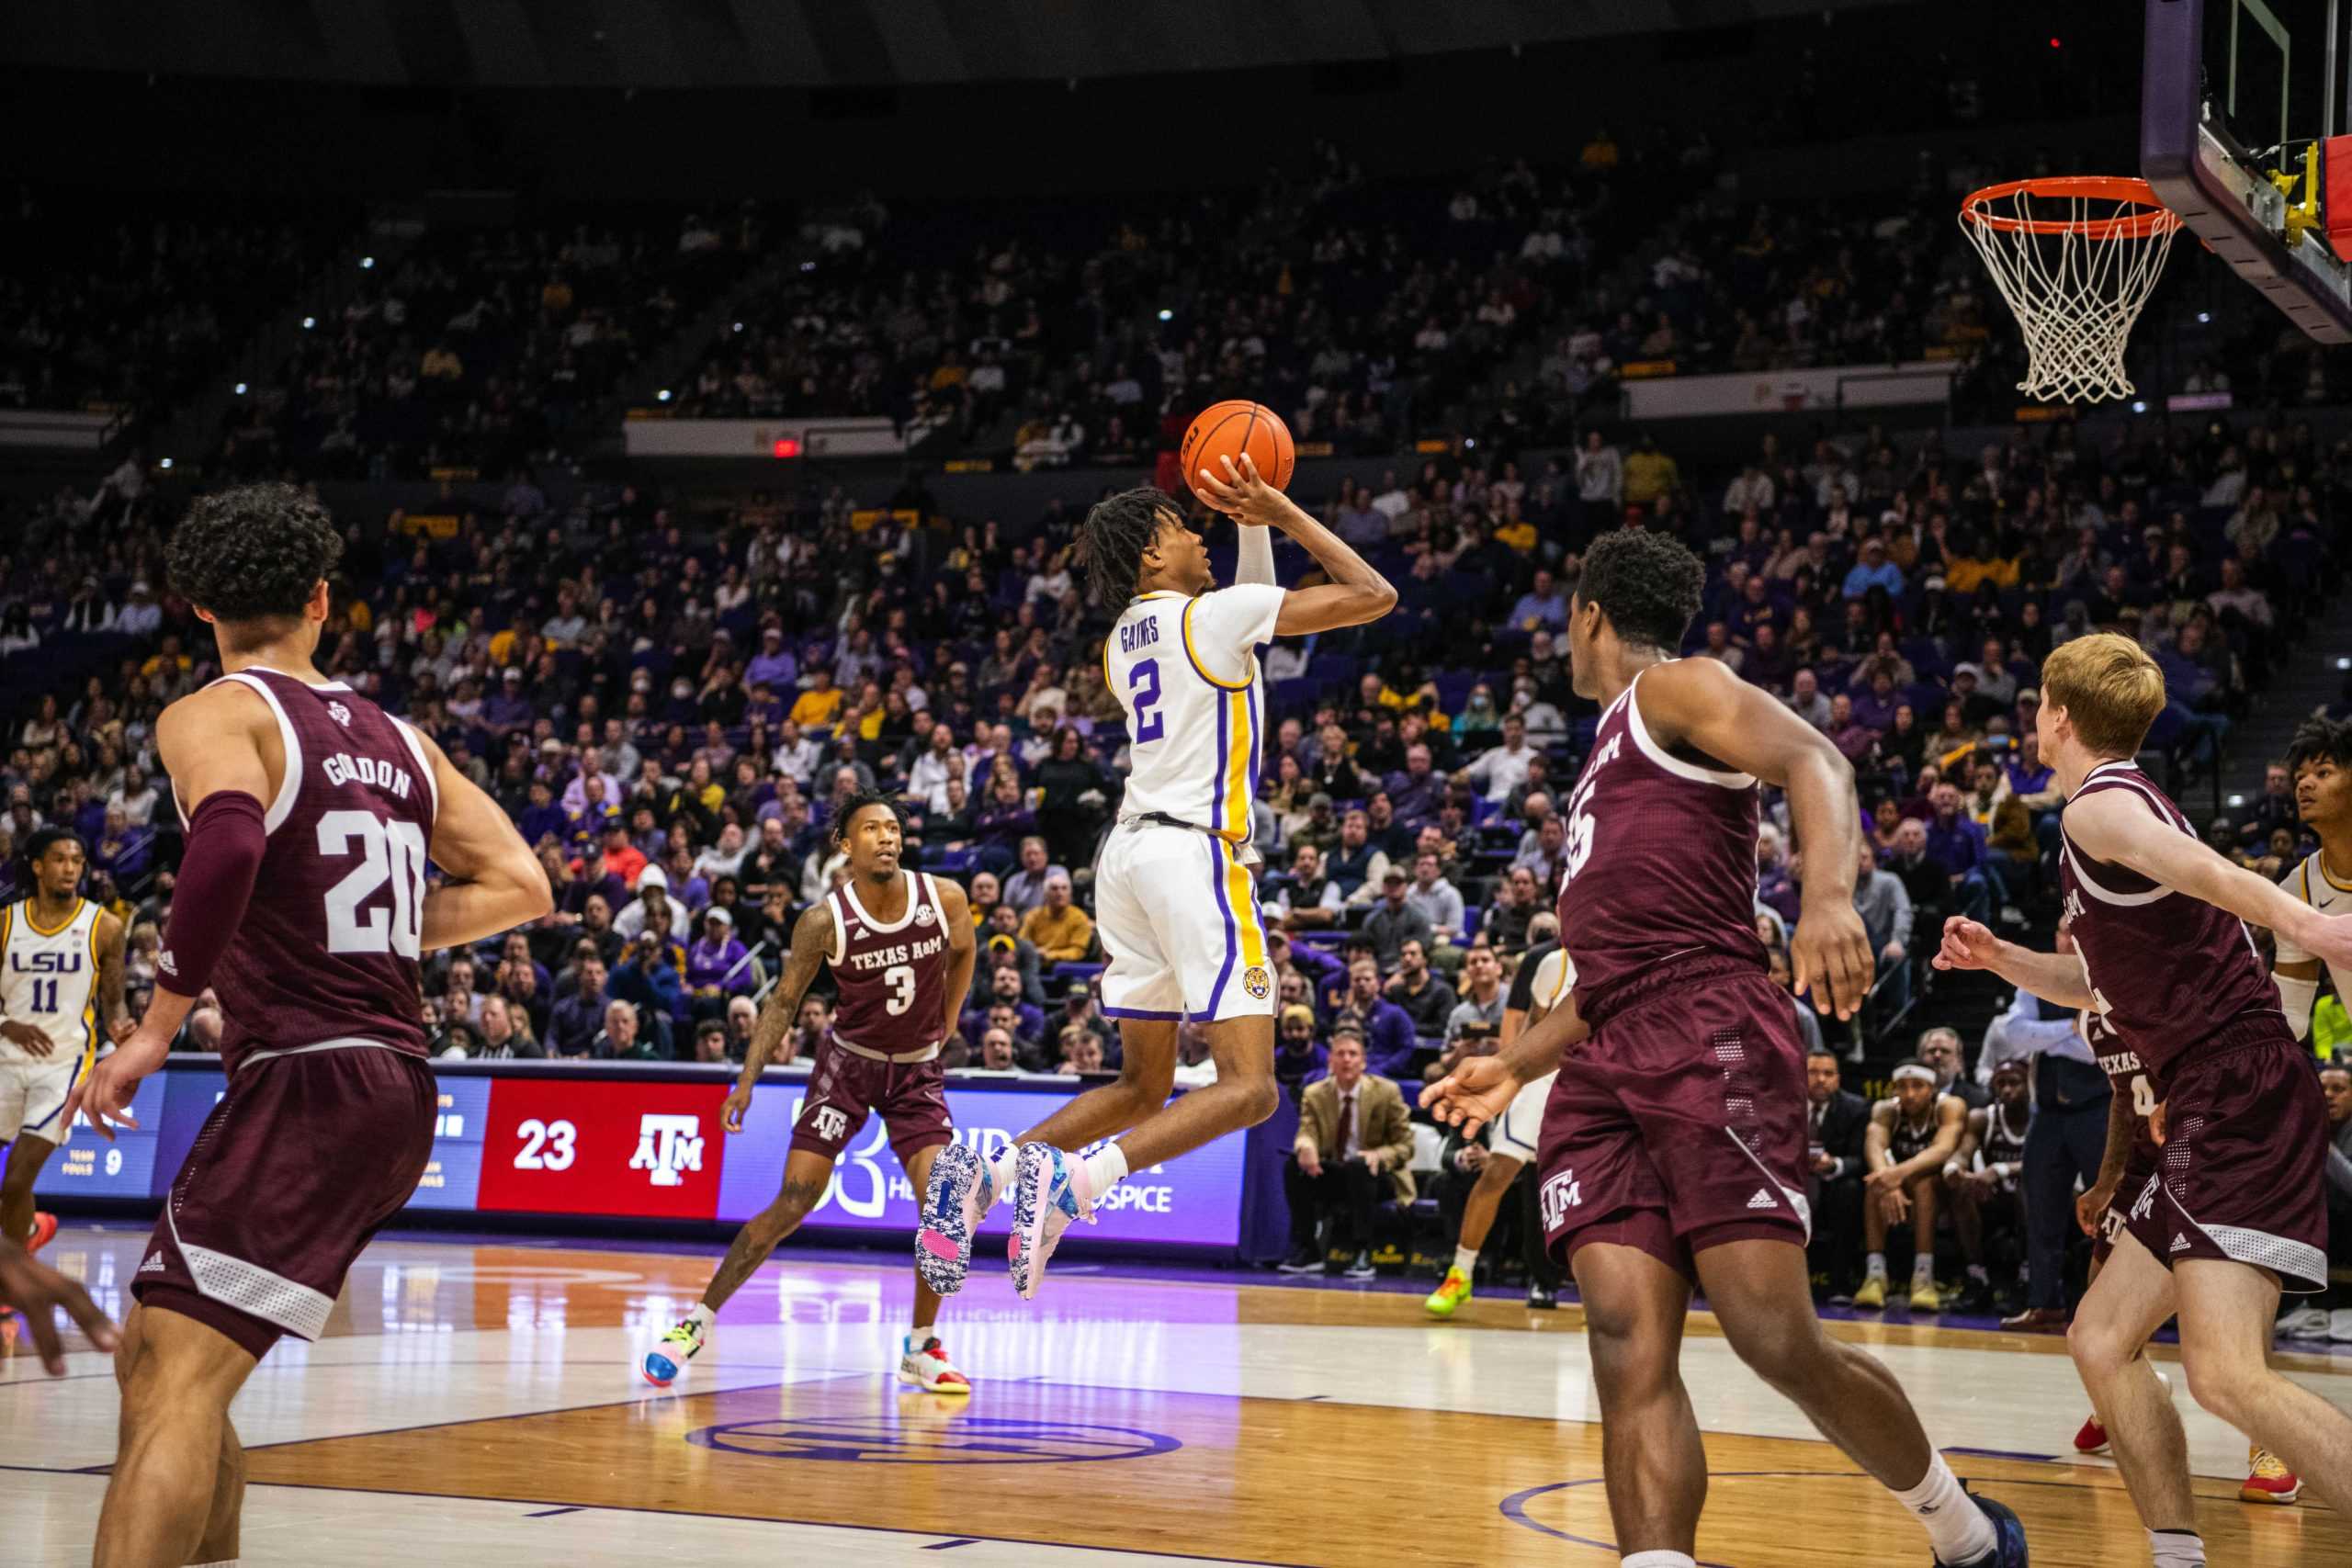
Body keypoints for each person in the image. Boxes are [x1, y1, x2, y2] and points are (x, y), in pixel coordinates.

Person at [1421, 526, 2027, 1568]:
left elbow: (1814, 757)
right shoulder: (1603, 755)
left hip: (1710, 1031)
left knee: (1772, 1338)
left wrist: (1827, 896)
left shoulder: (1675, 688)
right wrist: (1517, 1062)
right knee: (1623, 1339)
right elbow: (1610, 977)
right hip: (1608, 1049)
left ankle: (1961, 1529)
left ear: (1590, 615)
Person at [64, 484, 551, 1568]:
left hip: (307, 1073)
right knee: (159, 1356)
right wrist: (367, 929)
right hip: (389, 1078)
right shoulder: (403, 741)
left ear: (200, 609)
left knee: (177, 1379)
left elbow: (230, 844)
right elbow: (524, 884)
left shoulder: (216, 711)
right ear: (323, 599)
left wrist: (154, 1027)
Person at [917, 460, 1394, 1302]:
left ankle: (990, 1171)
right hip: (1194, 856)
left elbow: (1249, 617)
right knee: (1250, 1089)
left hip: (1128, 858)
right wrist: (1279, 510)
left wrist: (1248, 526)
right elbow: (1372, 594)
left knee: (1142, 1084)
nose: (1198, 534)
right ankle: (1078, 1181)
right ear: (1147, 555)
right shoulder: (1210, 618)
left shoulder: (1122, 641)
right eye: (1182, 527)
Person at [1932, 631, 2352, 1551]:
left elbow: (2213, 875)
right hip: (2211, 1090)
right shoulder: (2119, 812)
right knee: (2099, 1336)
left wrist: (2305, 925)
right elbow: (2098, 984)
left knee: (2224, 1373)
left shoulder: (2100, 808)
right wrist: (2000, 957)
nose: (2031, 717)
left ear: (2058, 713)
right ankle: (2174, 1552)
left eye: (2038, 701)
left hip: (2236, 1084)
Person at [644, 792, 978, 1392]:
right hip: (847, 1065)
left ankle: (922, 1346)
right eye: (872, 828)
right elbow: (783, 1002)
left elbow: (965, 948)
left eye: (894, 828)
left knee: (944, 1206)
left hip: (917, 1073)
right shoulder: (824, 920)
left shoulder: (943, 897)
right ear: (845, 846)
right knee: (794, 1200)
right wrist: (746, 1080)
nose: (887, 837)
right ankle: (693, 1323)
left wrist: (948, 1022)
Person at [2065, 999, 2302, 1504]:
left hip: (2212, 1141)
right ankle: (2127, 1391)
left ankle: (2272, 1444)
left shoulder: (2170, 981)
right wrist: (2106, 1179)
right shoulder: (2086, 1014)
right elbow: (2122, 1096)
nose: (2070, 932)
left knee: (2233, 1305)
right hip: (2144, 1156)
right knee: (2098, 1298)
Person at [1, 828, 130, 1262]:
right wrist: (7, 1024)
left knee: (17, 1182)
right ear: (38, 866)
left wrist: (127, 1034)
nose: (71, 868)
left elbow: (114, 1005)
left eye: (77, 860)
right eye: (60, 859)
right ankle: (33, 1228)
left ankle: (9, 1293)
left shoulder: (105, 927)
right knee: (15, 1190)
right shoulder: (5, 924)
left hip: (64, 1068)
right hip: (5, 1061)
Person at [1426, 942, 1572, 1317]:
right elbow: (1533, 1028)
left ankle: (1598, 1289)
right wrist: (1510, 1074)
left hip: (1591, 1084)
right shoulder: (1553, 965)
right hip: (1540, 1081)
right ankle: (1461, 1272)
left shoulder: (1623, 955)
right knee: (1496, 1174)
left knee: (1592, 1190)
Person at [1283, 1024, 1414, 1279]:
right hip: (1337, 1172)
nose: (1346, 1059)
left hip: (1379, 1176)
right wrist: (1305, 1146)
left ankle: (1362, 1252)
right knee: (1293, 1165)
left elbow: (1405, 1146)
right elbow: (1306, 1130)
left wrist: (1379, 1155)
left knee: (1359, 1165)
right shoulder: (1315, 1093)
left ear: (1363, 1062)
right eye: (1340, 1054)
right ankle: (1308, 1251)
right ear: (1330, 1060)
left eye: (1353, 1054)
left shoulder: (1387, 1092)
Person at [1854, 1059, 1967, 1311]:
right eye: (1902, 1087)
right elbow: (1873, 1145)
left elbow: (1943, 1149)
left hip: (1944, 1188)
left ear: (1932, 1088)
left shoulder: (1949, 1106)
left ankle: (1923, 1277)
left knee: (1924, 1183)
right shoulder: (1886, 1109)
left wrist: (1896, 1174)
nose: (1909, 1094)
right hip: (1901, 1187)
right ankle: (1875, 1275)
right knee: (1875, 1185)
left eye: (1918, 1086)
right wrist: (1888, 1180)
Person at [2271, 716, 2352, 1045]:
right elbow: (2290, 1016)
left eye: (2323, 773)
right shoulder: (2297, 888)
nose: (2304, 784)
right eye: (2300, 776)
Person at [1942, 1060, 2031, 1314]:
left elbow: (2043, 1162)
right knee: (1961, 1191)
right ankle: (1976, 1276)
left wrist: (2001, 1169)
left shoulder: (2041, 1117)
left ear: (2028, 1085)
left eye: (2014, 1083)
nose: (2006, 1090)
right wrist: (1954, 1170)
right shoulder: (1983, 1117)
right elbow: (1962, 1153)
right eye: (2000, 1083)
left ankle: (2028, 1277)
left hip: (2042, 1202)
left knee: (2029, 1187)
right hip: (1999, 1198)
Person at [1804, 1046, 1871, 1300]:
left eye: (1828, 1073)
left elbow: (1860, 1159)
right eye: (1813, 1072)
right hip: (1792, 1181)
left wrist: (1834, 1165)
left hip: (1832, 1184)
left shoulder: (1856, 1108)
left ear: (1838, 1079)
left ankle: (1840, 1281)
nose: (1821, 1079)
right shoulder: (1784, 1104)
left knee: (1851, 1189)